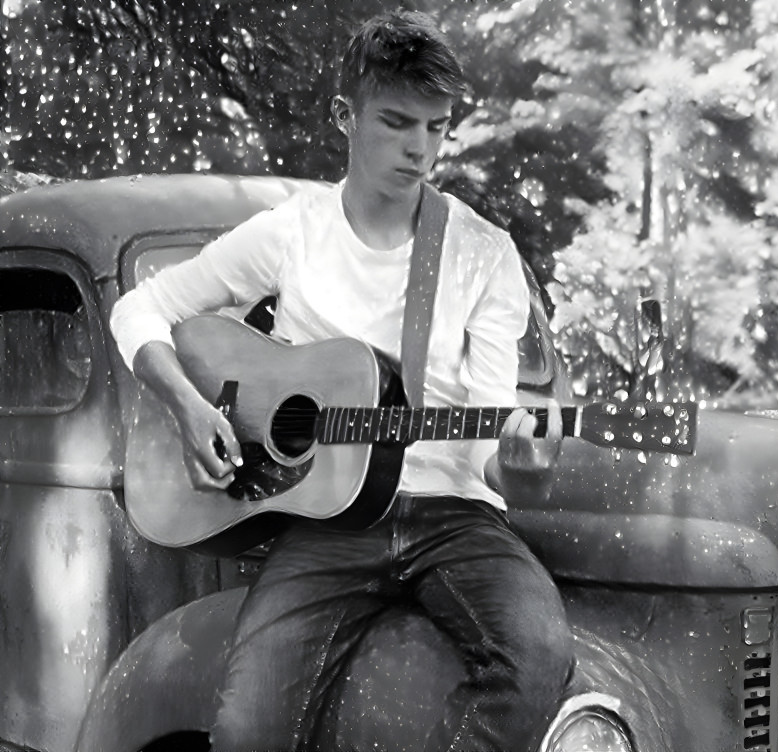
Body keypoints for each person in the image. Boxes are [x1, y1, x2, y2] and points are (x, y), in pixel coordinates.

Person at [110, 9, 573, 751]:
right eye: (397, 123)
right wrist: (190, 406)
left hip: (454, 516)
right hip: (325, 524)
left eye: (438, 127)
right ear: (344, 117)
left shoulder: (484, 253)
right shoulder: (292, 232)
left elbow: (488, 442)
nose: (421, 149)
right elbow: (141, 308)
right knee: (244, 728)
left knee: (539, 656)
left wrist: (523, 466)